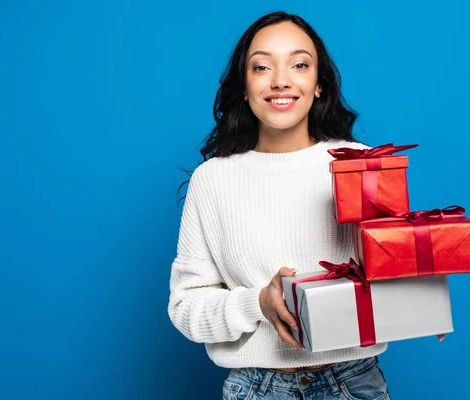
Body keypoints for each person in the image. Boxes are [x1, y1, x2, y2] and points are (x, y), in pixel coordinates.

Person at [167, 11, 391, 400]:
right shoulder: (213, 181)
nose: (280, 80)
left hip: (354, 383)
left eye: (299, 64)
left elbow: (393, 262)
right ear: (244, 86)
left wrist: (422, 296)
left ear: (319, 84)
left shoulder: (360, 164)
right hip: (257, 388)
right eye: (261, 67)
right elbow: (186, 308)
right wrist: (259, 302)